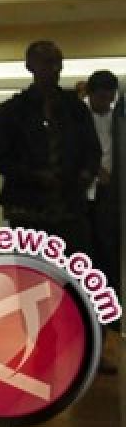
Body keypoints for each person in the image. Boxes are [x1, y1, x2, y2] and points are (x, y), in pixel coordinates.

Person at [0, 41, 100, 258]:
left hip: (70, 207)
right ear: (30, 66)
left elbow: (92, 150)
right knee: (32, 274)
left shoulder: (75, 109)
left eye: (59, 63)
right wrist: (34, 176)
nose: (55, 69)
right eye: (48, 62)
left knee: (71, 274)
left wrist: (84, 175)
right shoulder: (11, 111)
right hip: (27, 207)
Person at [84, 69, 121, 372]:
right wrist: (95, 170)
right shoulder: (77, 118)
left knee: (108, 260)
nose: (106, 102)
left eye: (111, 97)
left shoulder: (116, 120)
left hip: (110, 198)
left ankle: (106, 329)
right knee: (85, 259)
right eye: (102, 96)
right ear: (90, 94)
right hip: (82, 197)